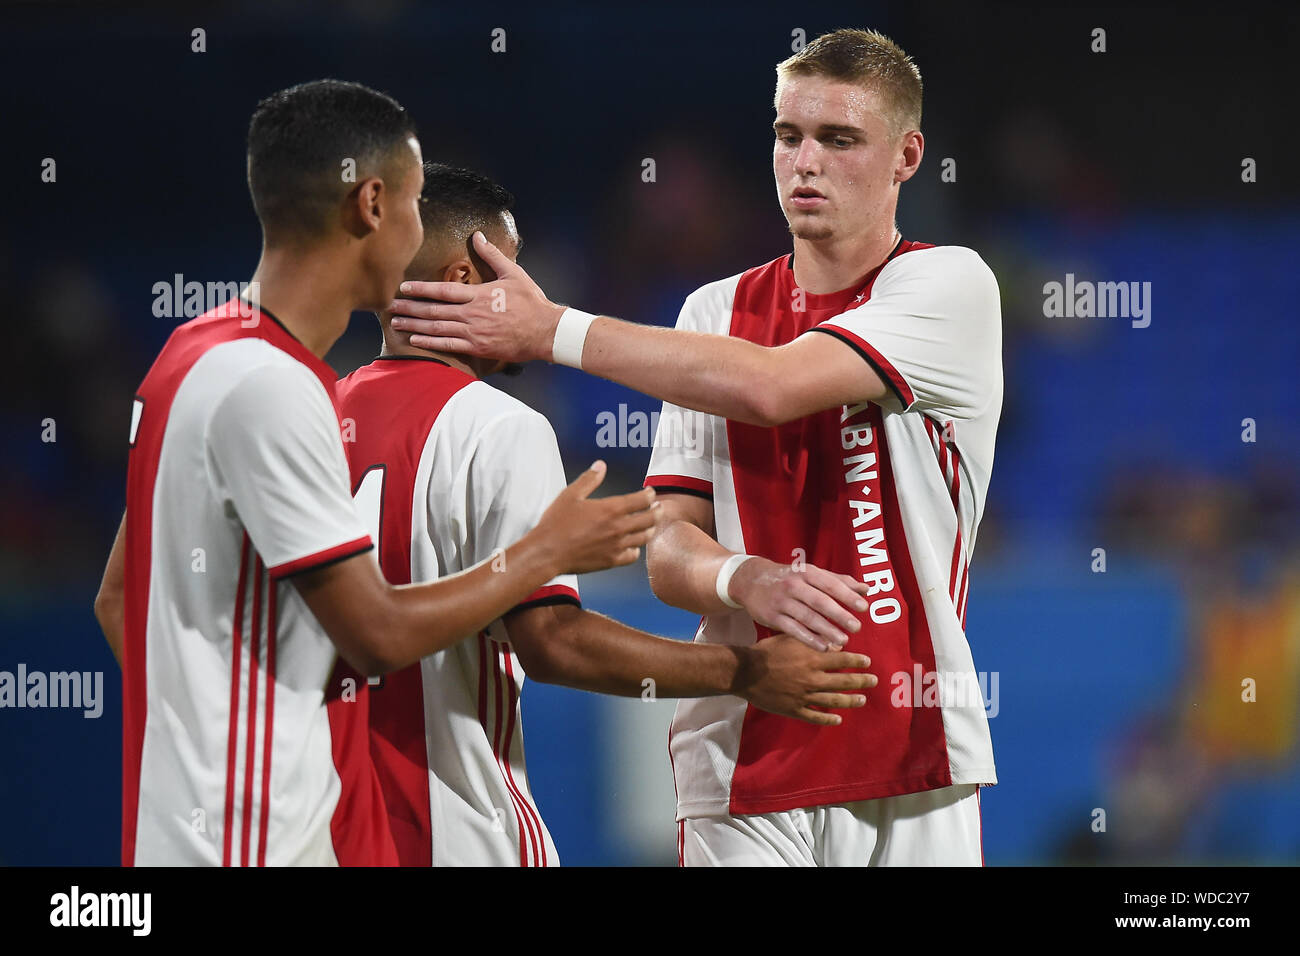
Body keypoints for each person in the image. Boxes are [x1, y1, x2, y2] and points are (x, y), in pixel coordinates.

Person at [388, 28, 1003, 866]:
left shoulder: (949, 285)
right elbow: (669, 548)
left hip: (910, 743)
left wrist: (553, 328)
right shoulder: (712, 312)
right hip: (738, 750)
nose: (806, 162)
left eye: (840, 139)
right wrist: (743, 576)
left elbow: (774, 386)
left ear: (907, 156)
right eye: (789, 136)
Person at [92, 80, 658, 867]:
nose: (426, 228)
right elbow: (378, 633)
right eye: (421, 201)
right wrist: (545, 550)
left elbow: (120, 598)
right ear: (372, 205)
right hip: (266, 841)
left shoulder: (191, 355)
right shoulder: (278, 388)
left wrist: (208, 748)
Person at [335, 162, 876, 866]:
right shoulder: (500, 428)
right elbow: (552, 642)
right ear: (463, 280)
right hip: (450, 831)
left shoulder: (310, 418)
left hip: (319, 829)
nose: (531, 297)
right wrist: (745, 671)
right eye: (512, 270)